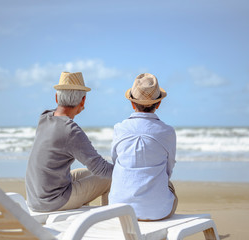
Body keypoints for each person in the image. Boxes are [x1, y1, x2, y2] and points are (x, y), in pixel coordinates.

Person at [26, 71, 113, 212]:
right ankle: (113, 221)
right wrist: (128, 173)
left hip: (35, 196)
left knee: (85, 172)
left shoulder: (45, 117)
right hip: (52, 201)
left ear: (56, 98)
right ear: (83, 101)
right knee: (108, 178)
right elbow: (100, 168)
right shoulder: (70, 130)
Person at [108, 73, 177, 221]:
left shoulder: (119, 128)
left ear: (132, 104)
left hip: (118, 209)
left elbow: (115, 163)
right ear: (158, 104)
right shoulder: (167, 131)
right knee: (169, 186)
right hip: (157, 211)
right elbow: (168, 169)